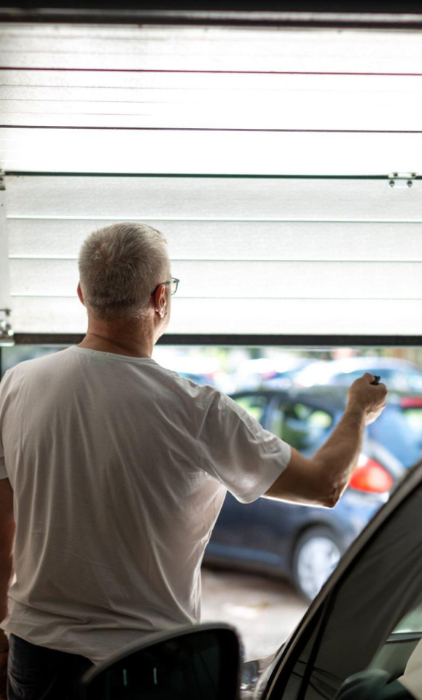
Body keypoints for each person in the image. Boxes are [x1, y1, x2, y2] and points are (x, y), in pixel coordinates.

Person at [0, 223, 387, 700]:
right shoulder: (196, 410)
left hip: (36, 655)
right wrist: (357, 412)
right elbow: (325, 485)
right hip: (145, 665)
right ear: (161, 298)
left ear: (82, 294)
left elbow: (3, 526)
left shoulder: (17, 385)